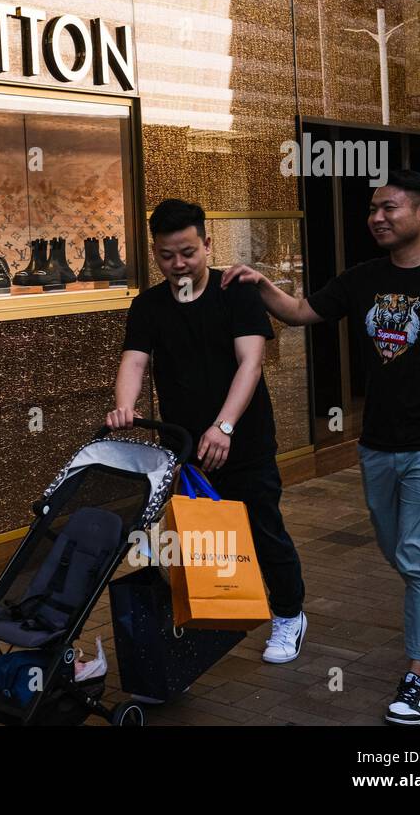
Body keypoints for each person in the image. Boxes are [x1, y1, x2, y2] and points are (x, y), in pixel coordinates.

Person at [223, 169, 420, 726]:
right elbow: (302, 313)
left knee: (418, 554)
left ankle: (419, 676)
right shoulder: (362, 278)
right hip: (378, 442)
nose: (377, 218)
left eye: (389, 208)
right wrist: (261, 284)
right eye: (373, 210)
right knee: (396, 549)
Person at [107, 198, 307, 664]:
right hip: (182, 445)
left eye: (188, 253)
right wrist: (123, 406)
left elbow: (251, 362)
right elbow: (134, 360)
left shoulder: (235, 291)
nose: (178, 264)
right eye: (166, 255)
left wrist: (224, 426)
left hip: (245, 438)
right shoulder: (149, 305)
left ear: (207, 244)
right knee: (200, 536)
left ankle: (289, 614)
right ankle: (216, 613)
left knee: (262, 529)